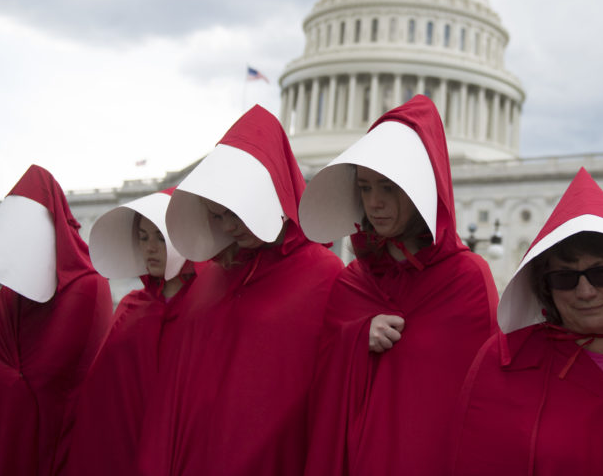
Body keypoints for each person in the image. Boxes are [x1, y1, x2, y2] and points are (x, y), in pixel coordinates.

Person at [136, 104, 343, 475]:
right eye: (217, 215)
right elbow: (177, 388)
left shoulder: (323, 273)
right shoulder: (212, 277)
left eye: (237, 211)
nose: (229, 227)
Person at [300, 95, 499, 476]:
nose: (375, 203)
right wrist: (357, 338)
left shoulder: (468, 279)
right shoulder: (351, 283)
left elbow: (483, 402)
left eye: (389, 187)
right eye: (365, 187)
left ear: (423, 187)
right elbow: (321, 396)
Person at [451, 167, 603, 476]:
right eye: (565, 277)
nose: (586, 291)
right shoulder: (501, 363)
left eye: (602, 273)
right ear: (546, 287)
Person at [0, 165, 113, 476]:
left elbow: (51, 382)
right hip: (0, 429)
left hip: (47, 442)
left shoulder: (88, 284)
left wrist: (1, 376)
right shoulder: (17, 286)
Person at [55, 188, 211, 476]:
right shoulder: (130, 306)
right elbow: (101, 391)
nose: (150, 247)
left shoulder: (208, 307)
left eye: (160, 237)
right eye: (143, 237)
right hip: (117, 448)